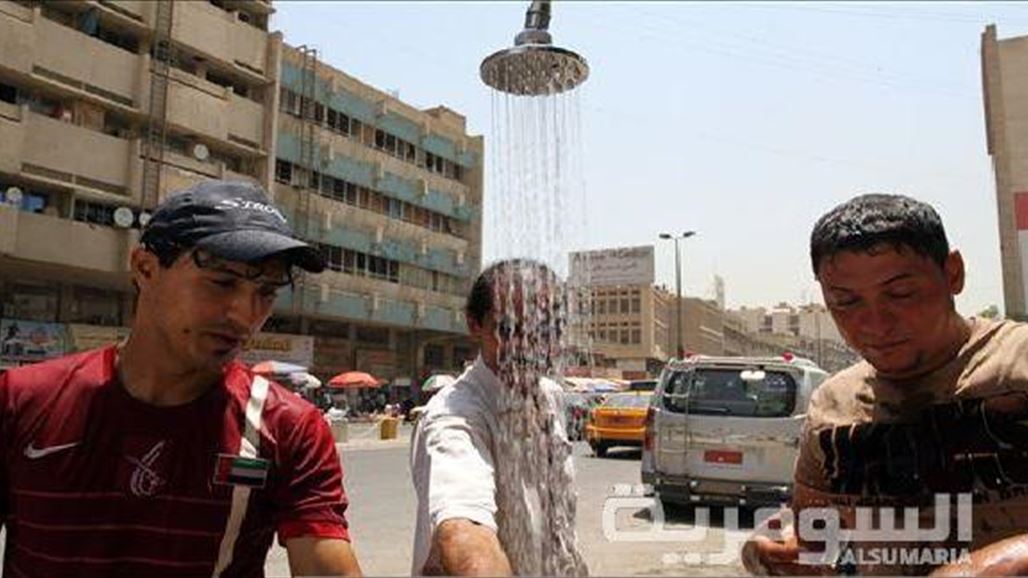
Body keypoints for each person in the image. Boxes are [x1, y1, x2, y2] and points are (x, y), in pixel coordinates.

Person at [0, 180, 363, 577]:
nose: (245, 315)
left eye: (266, 292)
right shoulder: (21, 401)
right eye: (222, 282)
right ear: (145, 268)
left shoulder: (288, 427)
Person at [743, 193, 1028, 576]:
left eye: (900, 293)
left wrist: (997, 566)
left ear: (953, 273)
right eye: (846, 302)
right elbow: (813, 533)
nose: (875, 323)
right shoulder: (833, 404)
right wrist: (779, 551)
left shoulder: (1019, 361)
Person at [410, 259, 587, 576]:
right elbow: (464, 531)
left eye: (546, 330)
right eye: (509, 329)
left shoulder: (549, 395)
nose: (530, 345)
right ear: (474, 324)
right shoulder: (454, 416)